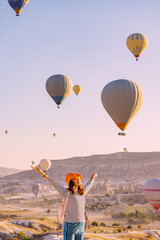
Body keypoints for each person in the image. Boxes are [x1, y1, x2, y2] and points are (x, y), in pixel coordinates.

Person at [31, 166, 97, 240]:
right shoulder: (66, 193)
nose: (78, 180)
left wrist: (92, 177)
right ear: (71, 181)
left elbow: (89, 185)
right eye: (76, 178)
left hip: (81, 224)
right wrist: (41, 172)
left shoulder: (82, 192)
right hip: (70, 224)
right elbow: (54, 183)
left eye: (79, 179)